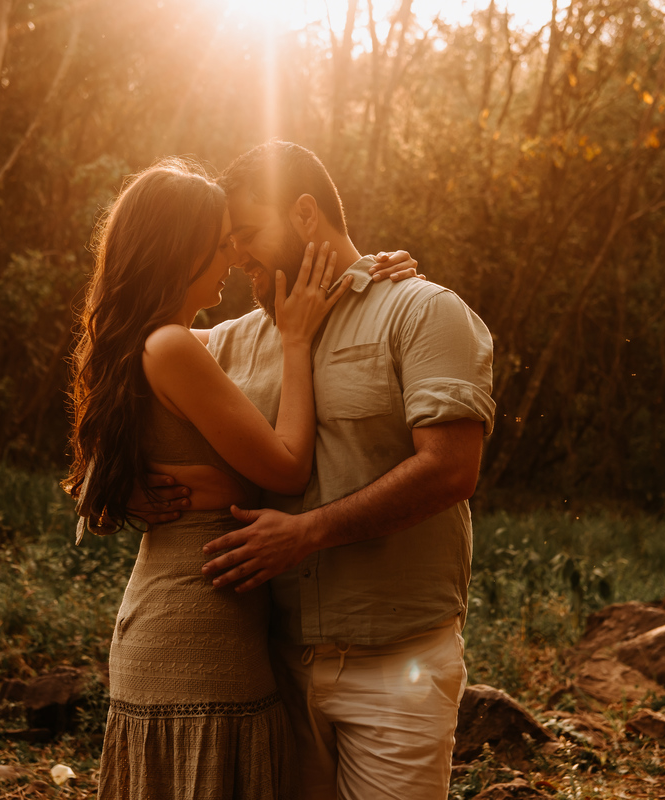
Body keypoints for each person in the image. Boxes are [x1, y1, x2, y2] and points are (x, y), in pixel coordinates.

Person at [64, 156, 416, 799]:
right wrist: (296, 342)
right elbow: (287, 466)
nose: (231, 255)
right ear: (180, 249)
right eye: (219, 241)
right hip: (200, 635)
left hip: (180, 625)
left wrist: (369, 271)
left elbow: (97, 466)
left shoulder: (167, 344)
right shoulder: (173, 347)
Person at [192, 141, 495, 800]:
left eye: (246, 233)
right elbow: (126, 347)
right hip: (268, 669)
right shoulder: (231, 342)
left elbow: (450, 471)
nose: (237, 254)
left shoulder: (422, 312)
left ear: (305, 215)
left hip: (398, 671)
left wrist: (306, 534)